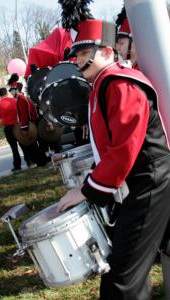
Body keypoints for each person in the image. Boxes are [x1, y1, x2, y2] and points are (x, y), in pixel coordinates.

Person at [57, 1, 170, 299]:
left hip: (153, 182)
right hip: (146, 182)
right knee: (129, 270)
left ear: (107, 51)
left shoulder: (119, 83)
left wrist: (85, 191)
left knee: (121, 278)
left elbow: (123, 151)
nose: (80, 61)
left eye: (85, 53)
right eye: (77, 54)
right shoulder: (104, 83)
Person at [0, 87, 23, 171]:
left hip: (8, 128)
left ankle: (17, 165)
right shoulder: (14, 101)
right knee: (23, 143)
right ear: (7, 93)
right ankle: (30, 160)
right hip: (17, 125)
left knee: (14, 148)